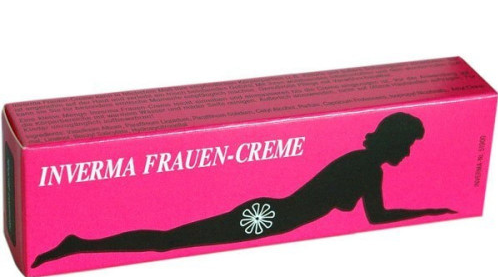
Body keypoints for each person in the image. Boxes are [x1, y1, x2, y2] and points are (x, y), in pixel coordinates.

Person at [31, 112, 455, 268]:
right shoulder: (364, 167)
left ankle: (80, 244)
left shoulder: (362, 164)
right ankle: (79, 244)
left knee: (169, 241)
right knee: (167, 242)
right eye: (408, 144)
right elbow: (377, 217)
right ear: (393, 140)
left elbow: (368, 215)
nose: (408, 153)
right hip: (266, 220)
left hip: (269, 218)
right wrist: (432, 211)